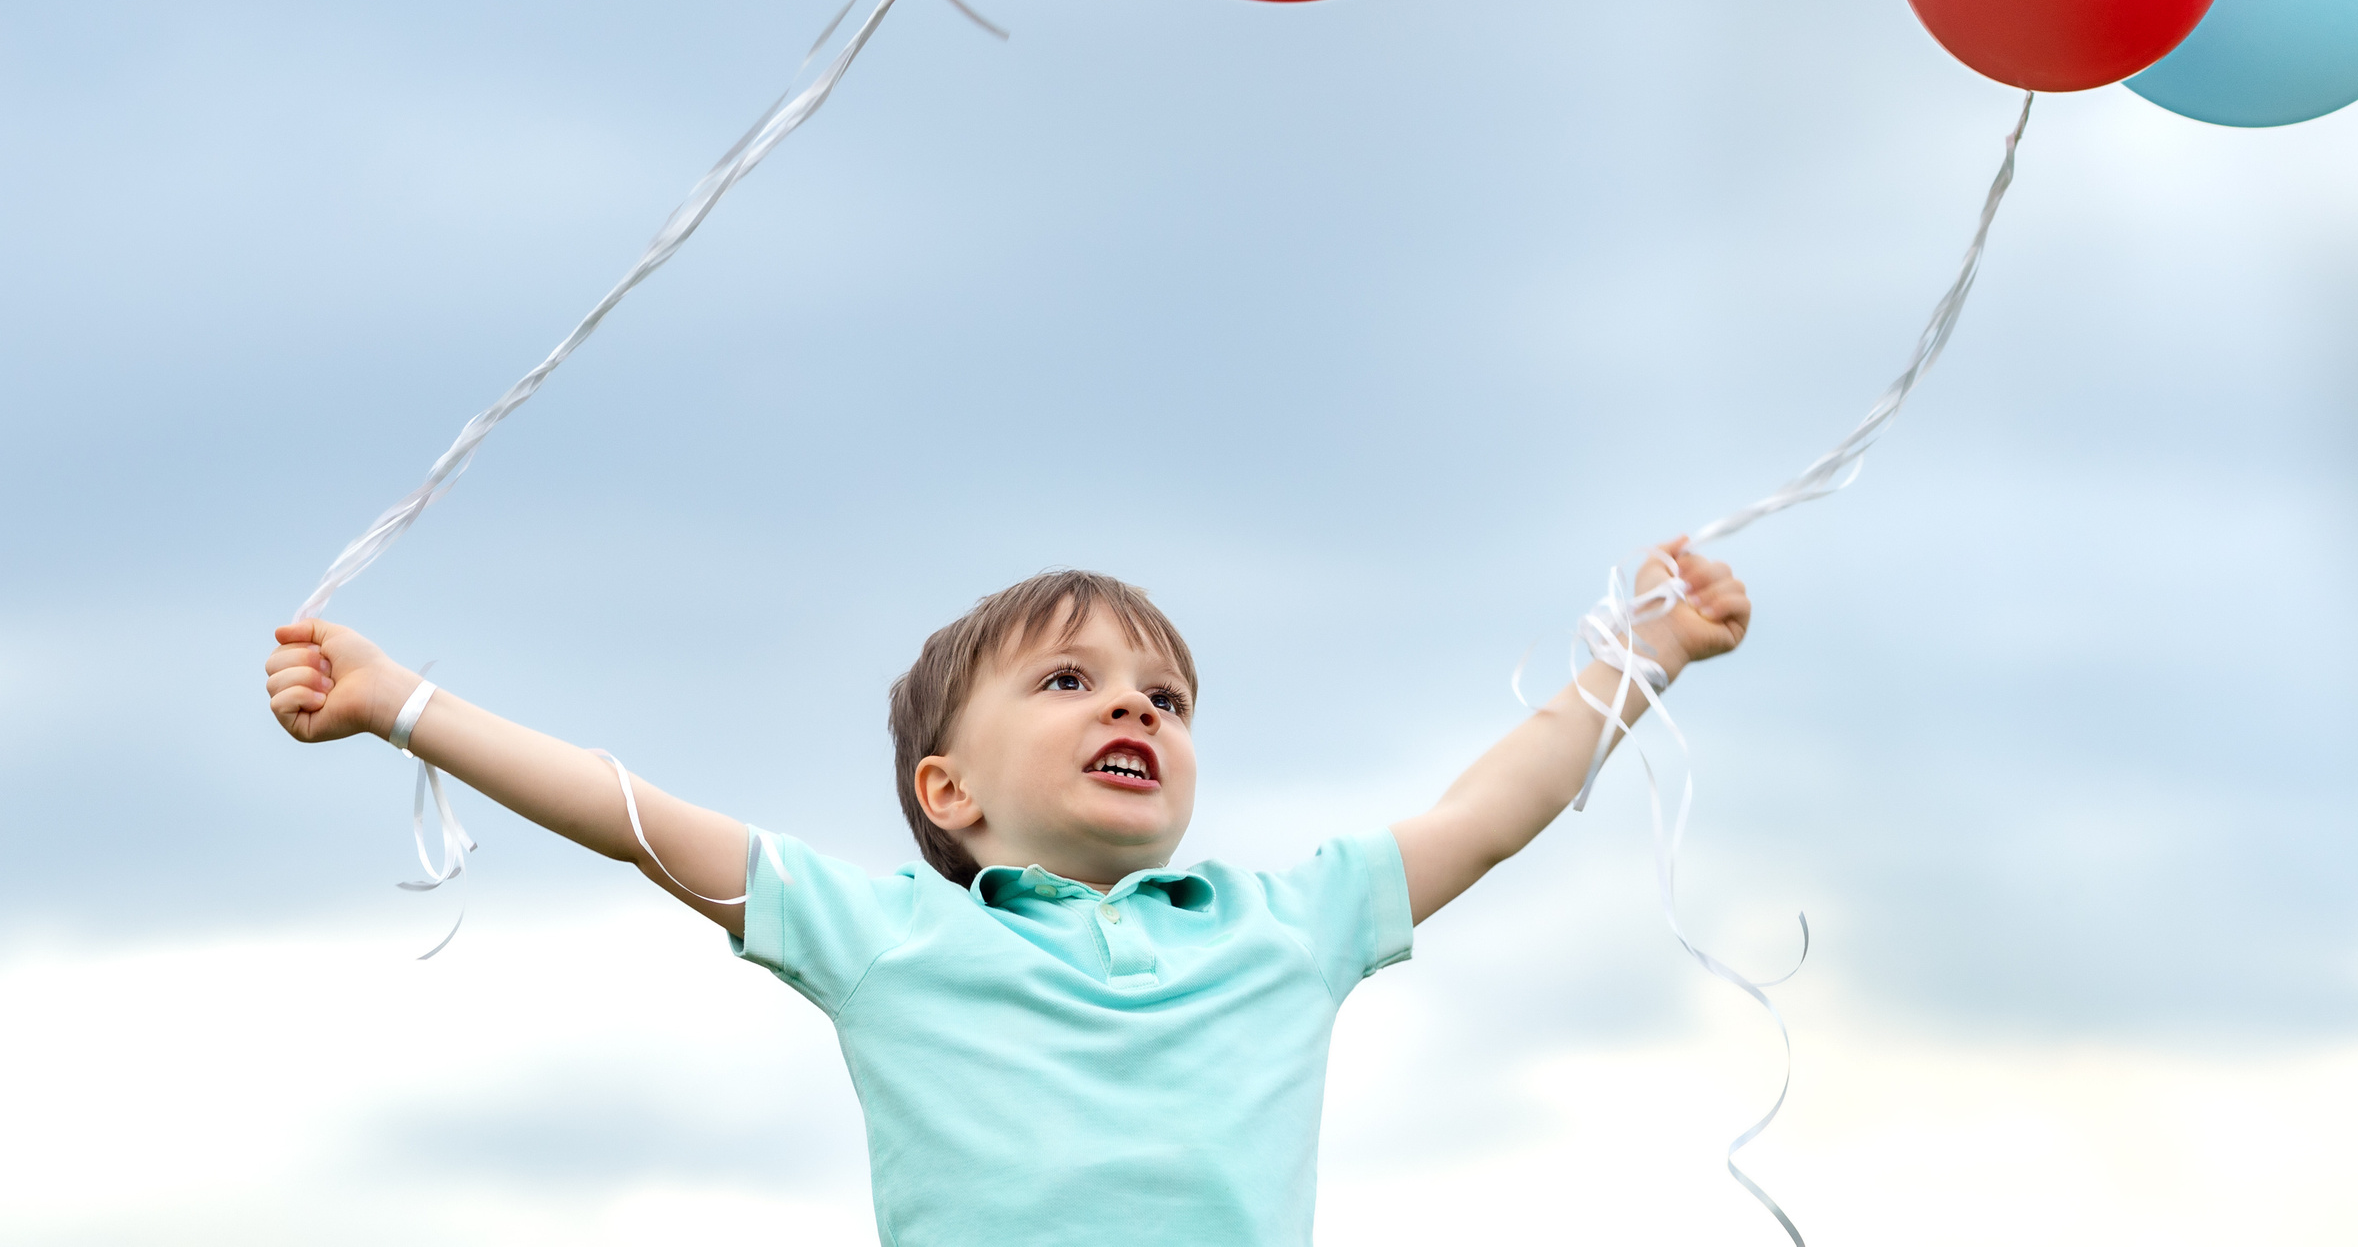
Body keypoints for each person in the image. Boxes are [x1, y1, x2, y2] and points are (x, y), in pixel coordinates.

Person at [264, 538, 1750, 1244]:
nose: (1139, 709)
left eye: (1168, 695)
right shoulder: (888, 938)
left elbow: (1487, 813)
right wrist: (408, 702)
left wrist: (1644, 659)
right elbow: (631, 813)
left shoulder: (1285, 925)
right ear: (949, 792)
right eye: (1071, 679)